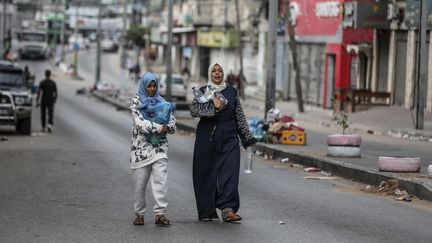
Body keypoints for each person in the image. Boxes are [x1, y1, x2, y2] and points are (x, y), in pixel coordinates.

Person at [189, 63, 257, 222]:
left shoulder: (232, 92)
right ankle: (206, 210)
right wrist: (213, 106)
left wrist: (247, 139)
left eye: (220, 70)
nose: (217, 73)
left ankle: (228, 210)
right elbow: (193, 110)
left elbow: (239, 117)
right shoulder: (203, 92)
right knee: (206, 175)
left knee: (230, 173)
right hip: (207, 138)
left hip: (230, 138)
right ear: (209, 73)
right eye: (214, 70)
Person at [130, 72, 176, 227]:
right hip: (141, 149)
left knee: (160, 180)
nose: (151, 88)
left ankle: (160, 213)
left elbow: (172, 121)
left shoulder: (162, 101)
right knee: (140, 184)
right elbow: (139, 123)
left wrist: (167, 127)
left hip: (159, 147)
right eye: (148, 85)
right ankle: (139, 214)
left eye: (154, 85)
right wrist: (159, 127)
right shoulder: (136, 101)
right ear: (144, 85)